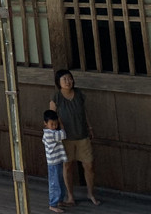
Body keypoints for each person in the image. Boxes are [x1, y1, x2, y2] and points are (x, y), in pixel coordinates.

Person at [49, 68, 99, 206]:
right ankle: (70, 196)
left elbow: (84, 112)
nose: (68, 81)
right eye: (64, 79)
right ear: (58, 82)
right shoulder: (56, 97)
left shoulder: (79, 94)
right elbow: (51, 118)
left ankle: (90, 193)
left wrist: (90, 127)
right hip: (66, 138)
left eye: (69, 78)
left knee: (89, 165)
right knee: (68, 166)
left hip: (82, 135)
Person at [43, 109, 67, 213]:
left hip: (57, 161)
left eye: (56, 124)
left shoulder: (51, 132)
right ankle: (53, 204)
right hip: (53, 163)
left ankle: (60, 200)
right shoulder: (50, 133)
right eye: (52, 124)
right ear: (45, 124)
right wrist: (61, 125)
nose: (54, 126)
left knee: (60, 182)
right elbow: (63, 134)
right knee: (54, 183)